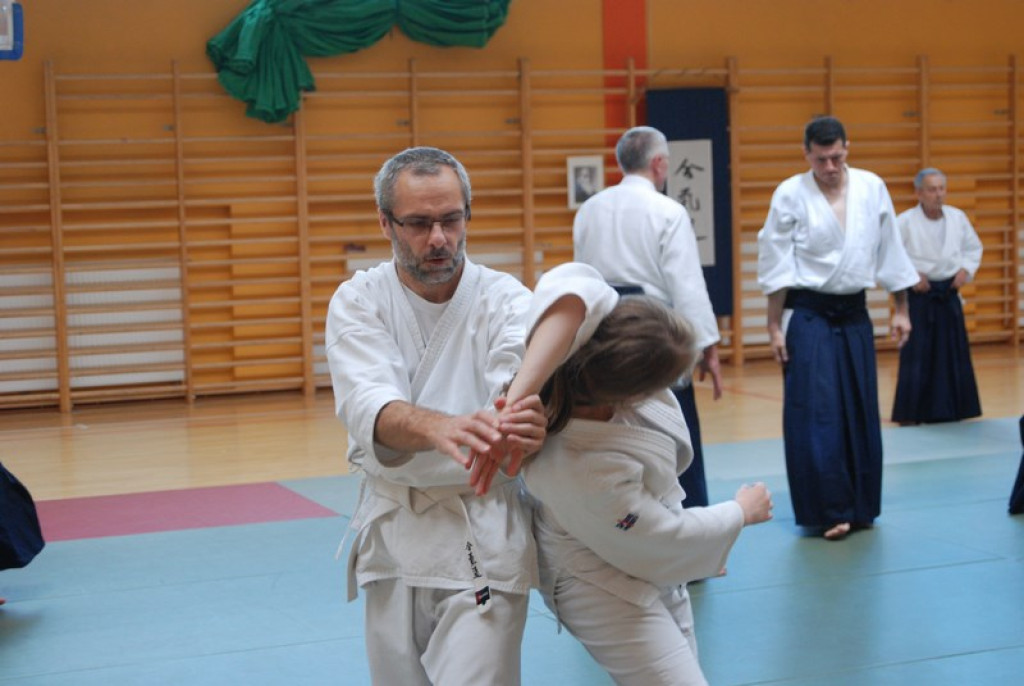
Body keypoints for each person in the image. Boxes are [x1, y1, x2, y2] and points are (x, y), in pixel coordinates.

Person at [473, 262, 772, 686]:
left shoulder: (568, 362)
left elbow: (576, 288)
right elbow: (659, 534)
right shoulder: (582, 463)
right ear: (633, 392)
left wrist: (520, 394)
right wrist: (739, 513)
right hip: (594, 581)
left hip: (640, 555)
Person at [324, 146, 547, 685]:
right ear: (386, 222)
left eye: (450, 219)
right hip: (394, 533)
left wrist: (529, 425)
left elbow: (513, 389)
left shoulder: (507, 301)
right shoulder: (359, 301)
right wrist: (441, 426)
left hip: (482, 529)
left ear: (468, 214)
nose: (439, 238)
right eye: (419, 224)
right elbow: (367, 405)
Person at [757, 116, 919, 541]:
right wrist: (774, 327)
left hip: (854, 313)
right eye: (822, 159)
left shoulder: (871, 187)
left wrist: (901, 309)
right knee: (816, 413)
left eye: (837, 157)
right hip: (807, 314)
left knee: (860, 408)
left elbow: (891, 251)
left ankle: (861, 506)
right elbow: (776, 266)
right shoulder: (790, 194)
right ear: (806, 154)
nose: (830, 166)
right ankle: (829, 510)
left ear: (848, 148)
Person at [573, 126, 722, 508]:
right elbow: (686, 283)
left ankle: (623, 517)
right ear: (658, 164)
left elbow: (582, 274)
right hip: (654, 333)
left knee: (614, 426)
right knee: (671, 425)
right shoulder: (668, 211)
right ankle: (684, 522)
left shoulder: (589, 209)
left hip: (602, 330)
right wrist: (706, 346)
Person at [891, 168, 983, 424]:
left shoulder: (957, 217)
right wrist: (912, 275)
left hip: (949, 293)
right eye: (932, 189)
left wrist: (966, 270)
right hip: (920, 296)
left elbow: (973, 247)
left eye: (942, 188)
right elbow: (892, 254)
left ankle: (955, 409)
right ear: (918, 193)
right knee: (917, 353)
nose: (938, 194)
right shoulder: (905, 221)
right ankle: (913, 412)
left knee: (953, 352)